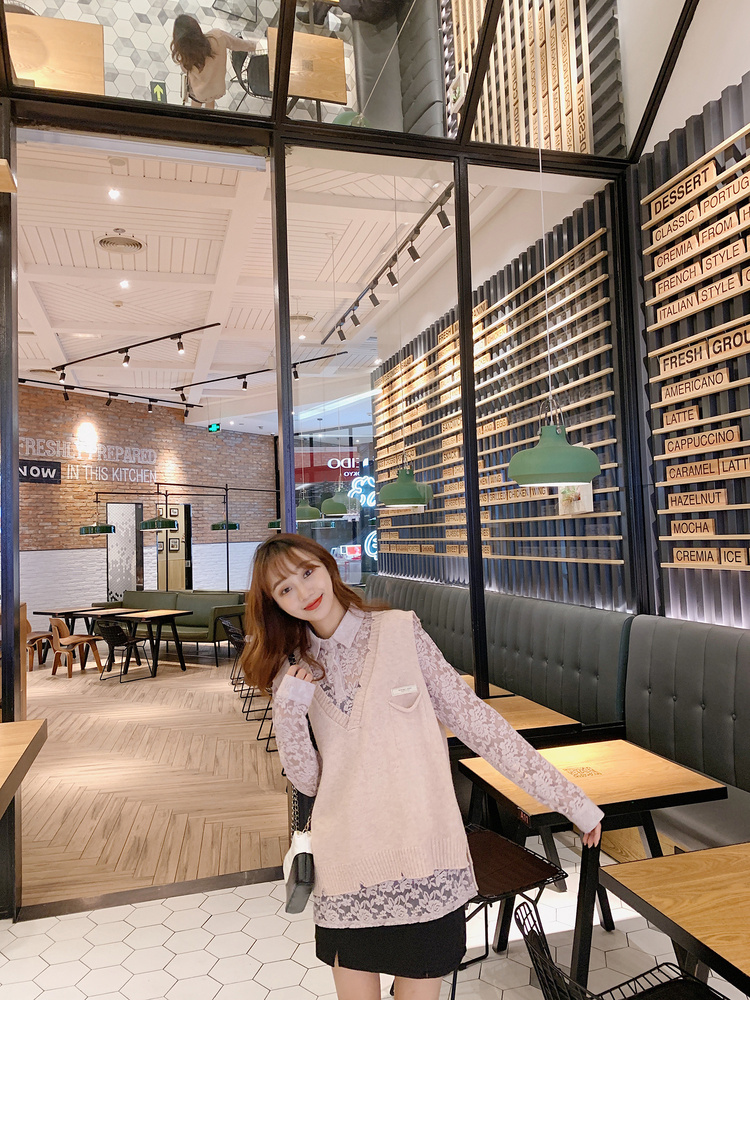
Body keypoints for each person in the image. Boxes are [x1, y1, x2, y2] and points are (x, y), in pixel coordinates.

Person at [243, 533, 603, 1001]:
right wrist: (289, 709)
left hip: (425, 858)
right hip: (346, 862)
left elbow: (478, 724)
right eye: (285, 589)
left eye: (307, 572)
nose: (303, 591)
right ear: (275, 604)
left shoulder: (399, 630)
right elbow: (308, 780)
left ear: (328, 567)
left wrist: (571, 801)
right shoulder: (291, 670)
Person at [170, 14, 259, 110]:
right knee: (210, 100)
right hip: (217, 89)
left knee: (196, 104)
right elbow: (239, 44)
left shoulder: (185, 57)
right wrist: (255, 46)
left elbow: (185, 71)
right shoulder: (218, 37)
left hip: (200, 93)